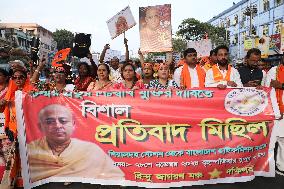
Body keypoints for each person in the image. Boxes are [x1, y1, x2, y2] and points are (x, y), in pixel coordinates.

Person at [27, 104, 125, 182]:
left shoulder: (90, 150)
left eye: (63, 121)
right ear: (40, 127)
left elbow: (117, 179)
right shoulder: (30, 151)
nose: (58, 126)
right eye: (50, 122)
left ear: (73, 125)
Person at [265, 53, 284, 176]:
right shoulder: (274, 70)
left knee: (283, 140)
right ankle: (267, 167)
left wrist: (281, 85)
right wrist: (277, 110)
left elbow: (277, 85)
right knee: (271, 141)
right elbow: (268, 88)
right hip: (275, 111)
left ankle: (281, 166)